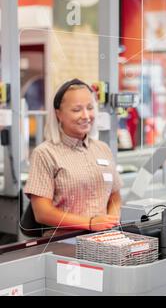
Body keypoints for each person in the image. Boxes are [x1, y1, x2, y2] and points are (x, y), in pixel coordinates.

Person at [24, 79, 122, 235]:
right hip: (62, 243)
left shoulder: (102, 149)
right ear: (59, 114)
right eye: (77, 109)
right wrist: (89, 224)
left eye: (90, 108)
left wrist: (111, 219)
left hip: (102, 239)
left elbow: (115, 195)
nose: (86, 115)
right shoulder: (45, 153)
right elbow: (42, 212)